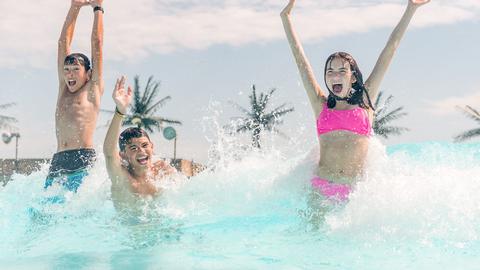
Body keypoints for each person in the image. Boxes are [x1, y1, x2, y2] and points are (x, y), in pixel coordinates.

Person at [281, 0, 430, 201]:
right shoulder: (320, 104)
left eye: (342, 71)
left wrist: (410, 9)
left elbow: (389, 50)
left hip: (355, 192)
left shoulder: (365, 104)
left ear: (352, 77)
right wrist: (286, 19)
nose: (335, 76)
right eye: (330, 72)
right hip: (320, 188)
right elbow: (300, 62)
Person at [103, 76, 176, 211]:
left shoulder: (161, 171)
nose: (141, 151)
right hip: (133, 230)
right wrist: (120, 112)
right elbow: (108, 153)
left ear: (152, 146)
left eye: (144, 145)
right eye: (133, 148)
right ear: (123, 155)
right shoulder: (122, 177)